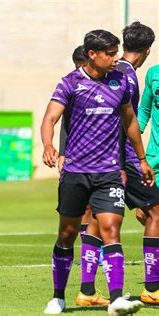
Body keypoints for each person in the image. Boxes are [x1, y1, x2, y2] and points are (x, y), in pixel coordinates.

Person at [41, 29, 155, 315]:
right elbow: (50, 117)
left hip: (109, 172)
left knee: (111, 229)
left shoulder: (120, 82)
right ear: (92, 54)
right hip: (76, 172)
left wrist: (140, 159)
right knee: (67, 234)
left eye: (117, 52)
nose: (116, 58)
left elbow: (130, 122)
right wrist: (48, 146)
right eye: (110, 53)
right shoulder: (70, 83)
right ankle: (58, 297)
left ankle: (116, 298)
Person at [73, 21, 158, 308]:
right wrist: (138, 160)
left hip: (100, 159)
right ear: (148, 50)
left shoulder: (114, 70)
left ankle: (86, 292)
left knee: (97, 219)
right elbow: (127, 122)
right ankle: (153, 287)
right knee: (156, 212)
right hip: (122, 159)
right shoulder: (128, 76)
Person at [58, 45, 90, 243]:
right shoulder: (71, 84)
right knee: (80, 207)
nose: (79, 71)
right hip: (75, 156)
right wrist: (62, 153)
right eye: (77, 66)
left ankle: (97, 250)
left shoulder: (110, 84)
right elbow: (64, 122)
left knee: (97, 207)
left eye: (82, 66)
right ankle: (91, 251)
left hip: (103, 157)